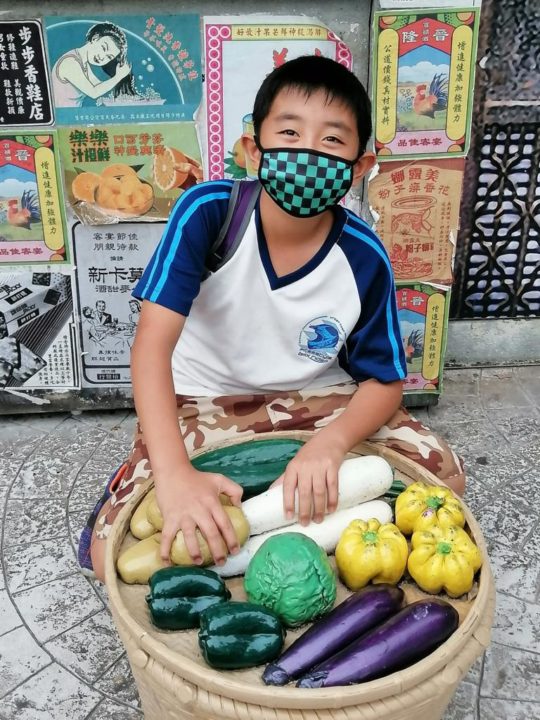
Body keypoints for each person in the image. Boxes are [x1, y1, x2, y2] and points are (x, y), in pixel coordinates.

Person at [83, 56, 464, 581]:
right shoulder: (209, 213)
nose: (308, 151)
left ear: (359, 167)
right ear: (253, 151)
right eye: (289, 131)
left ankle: (276, 516)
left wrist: (329, 447)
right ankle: (141, 481)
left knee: (441, 478)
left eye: (332, 141)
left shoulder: (363, 256)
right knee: (113, 561)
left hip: (319, 404)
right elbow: (150, 348)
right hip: (202, 403)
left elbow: (385, 382)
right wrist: (173, 477)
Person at [51, 22, 133, 108]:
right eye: (103, 48)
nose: (102, 57)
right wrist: (118, 77)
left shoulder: (83, 62)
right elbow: (94, 92)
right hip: (62, 117)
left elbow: (97, 85)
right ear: (95, 38)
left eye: (109, 57)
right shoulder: (70, 62)